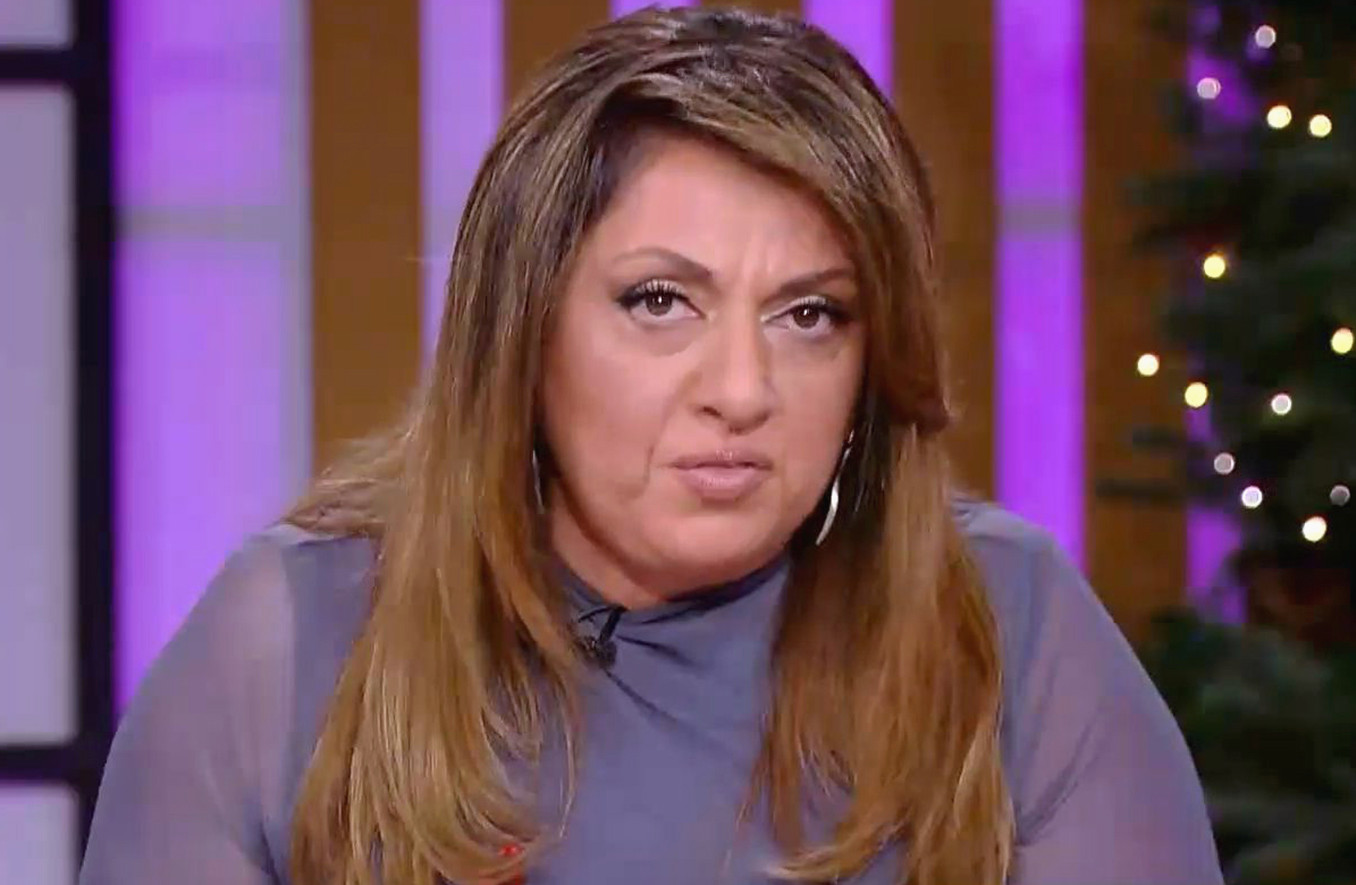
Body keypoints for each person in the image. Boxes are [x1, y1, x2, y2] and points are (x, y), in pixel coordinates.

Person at [80, 7, 1223, 885]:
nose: (742, 391)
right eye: (660, 302)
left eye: (810, 314)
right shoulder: (288, 648)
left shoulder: (1007, 634)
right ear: (523, 330)